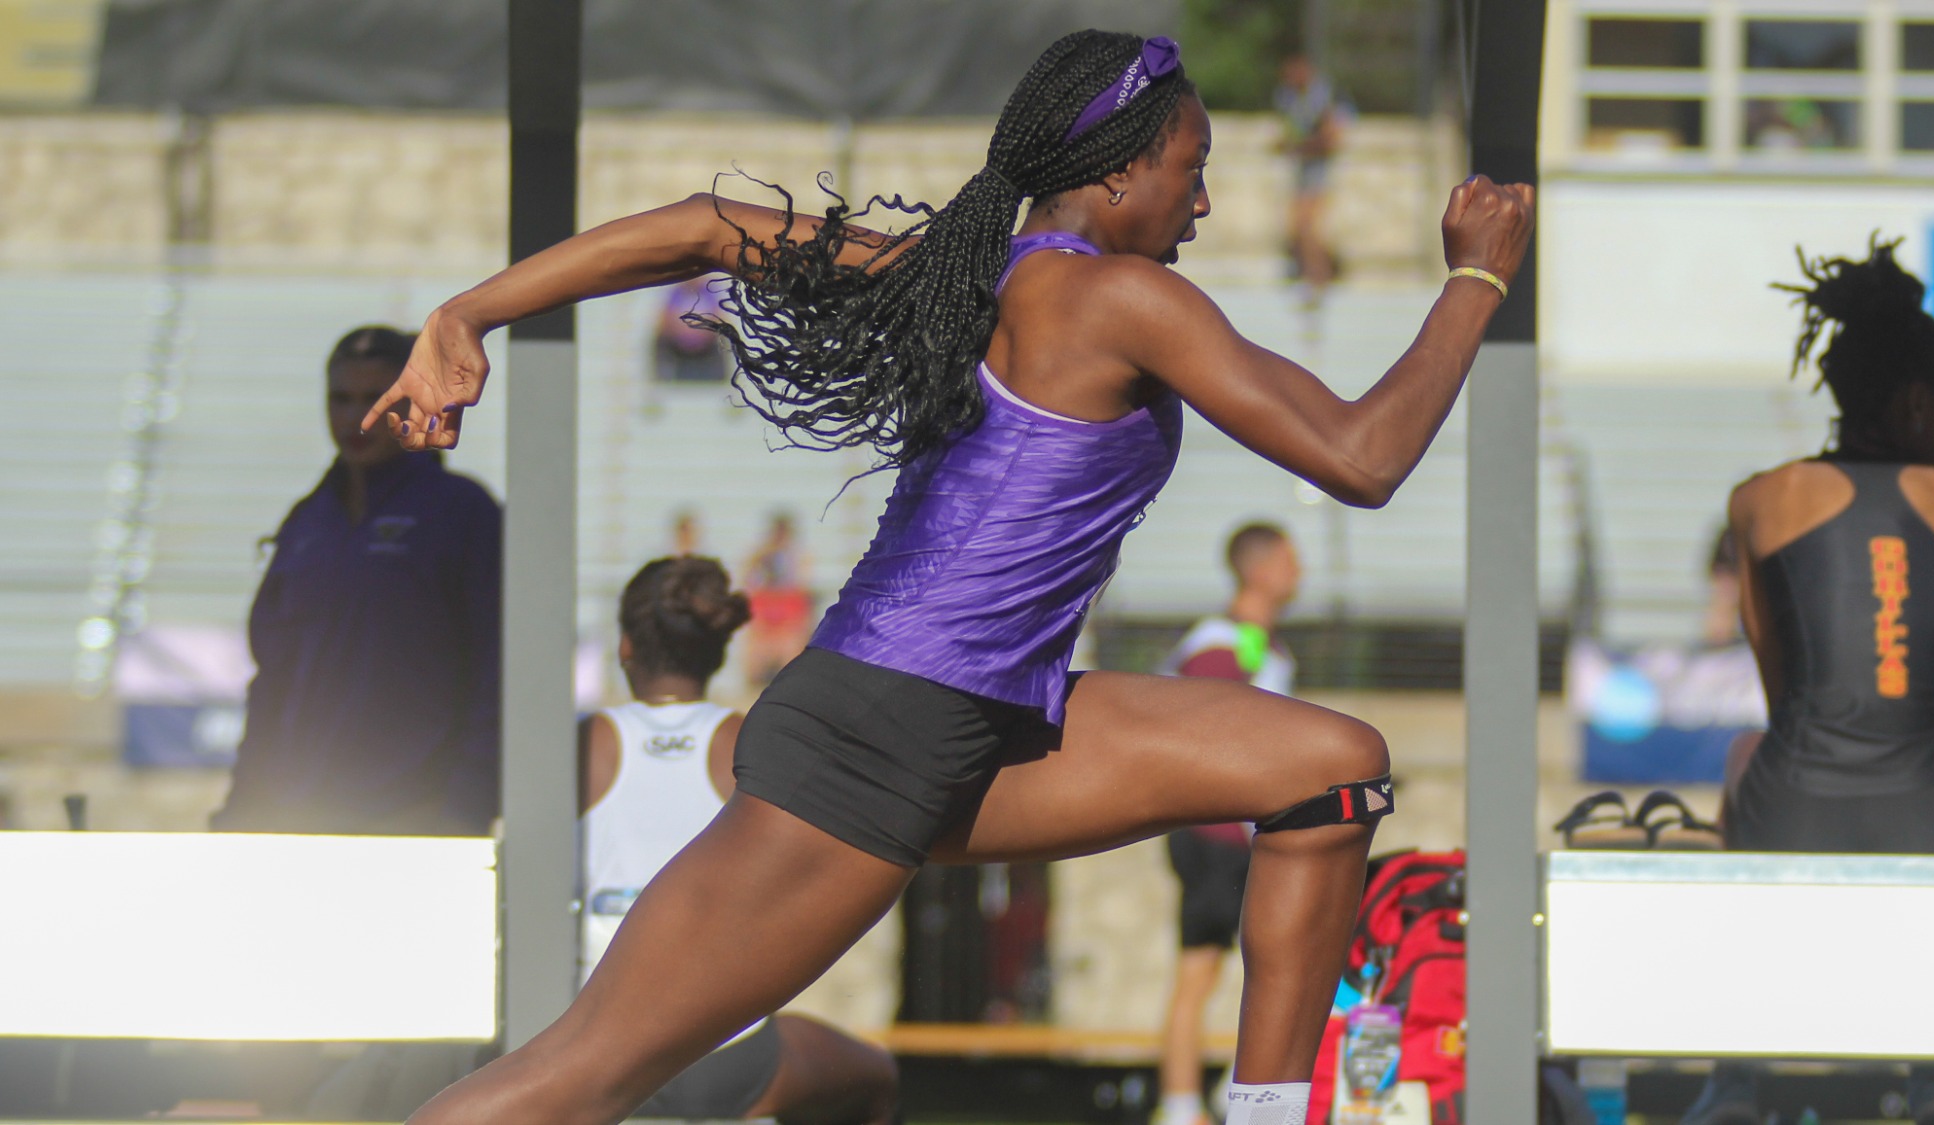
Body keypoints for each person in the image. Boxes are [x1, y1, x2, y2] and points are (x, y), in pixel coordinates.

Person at [364, 30, 1532, 1125]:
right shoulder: (1119, 297)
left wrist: (475, 310)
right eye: (1193, 166)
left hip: (985, 723)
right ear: (1120, 174)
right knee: (574, 1084)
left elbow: (706, 228)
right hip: (874, 742)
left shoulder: (962, 275)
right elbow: (1359, 456)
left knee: (1328, 772)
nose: (1205, 200)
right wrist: (1472, 283)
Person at [1685, 238, 1934, 1125]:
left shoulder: (1759, 500)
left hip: (1799, 800)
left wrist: (1812, 761)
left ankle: (1734, 1078)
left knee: (1750, 748)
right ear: (1915, 400)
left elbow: (1770, 657)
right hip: (1932, 808)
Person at [581, 555, 898, 1125]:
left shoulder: (584, 746)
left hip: (599, 1049)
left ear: (626, 646)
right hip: (725, 1058)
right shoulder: (751, 742)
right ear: (719, 649)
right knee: (879, 1075)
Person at [213, 326, 499, 836]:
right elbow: (273, 678)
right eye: (341, 399)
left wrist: (465, 807)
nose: (355, 418)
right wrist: (244, 803)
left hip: (417, 813)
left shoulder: (462, 512)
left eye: (376, 399)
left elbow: (495, 670)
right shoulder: (305, 523)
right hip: (298, 812)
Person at [1155, 523, 1302, 1125]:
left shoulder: (1261, 645)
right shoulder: (1223, 643)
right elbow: (1208, 735)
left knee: (1253, 970)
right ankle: (1185, 1104)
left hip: (1236, 837)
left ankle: (1213, 1100)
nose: (1300, 573)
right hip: (1217, 835)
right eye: (1292, 561)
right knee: (1212, 971)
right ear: (1262, 570)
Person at [1273, 54, 1347, 303]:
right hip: (1304, 173)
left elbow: (1331, 138)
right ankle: (1311, 279)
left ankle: (1318, 280)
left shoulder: (1323, 96)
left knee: (1306, 227)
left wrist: (1298, 147)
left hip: (1320, 173)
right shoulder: (1290, 97)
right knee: (1299, 228)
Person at [741, 511, 814, 687]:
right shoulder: (760, 557)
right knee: (755, 650)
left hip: (787, 610)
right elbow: (747, 579)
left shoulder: (798, 559)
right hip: (767, 609)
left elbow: (803, 593)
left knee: (791, 645)